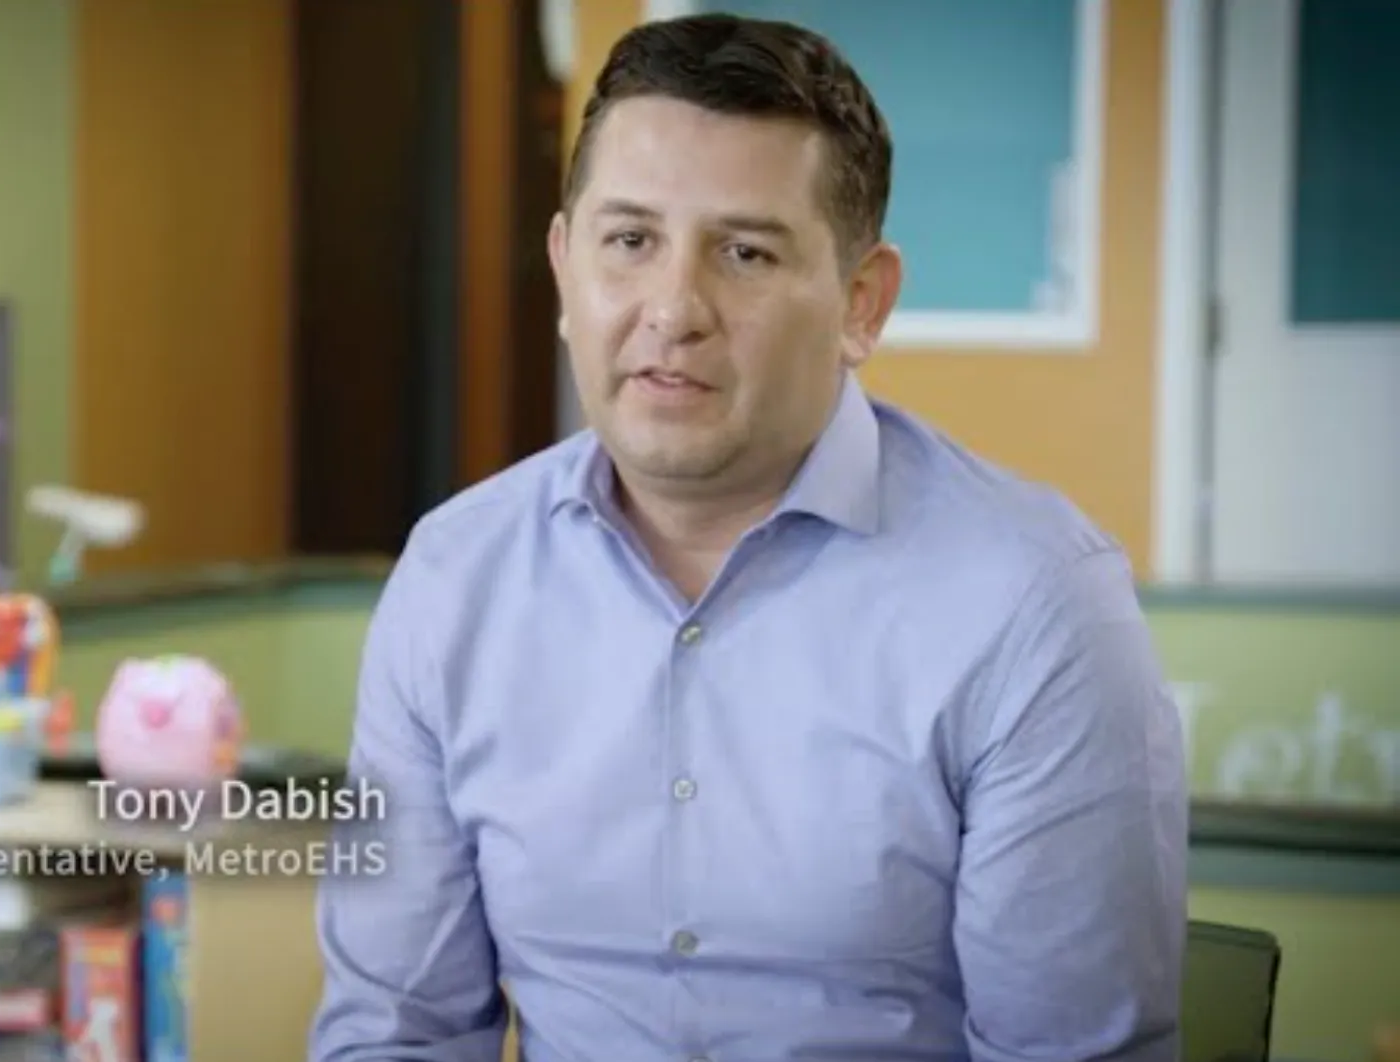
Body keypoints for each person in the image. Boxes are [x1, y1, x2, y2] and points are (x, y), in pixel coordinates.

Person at [309, 12, 1187, 1062]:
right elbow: (394, 1032)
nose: (673, 309)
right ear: (562, 266)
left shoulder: (1030, 604)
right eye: (629, 242)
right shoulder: (453, 578)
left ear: (860, 304)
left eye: (744, 252)